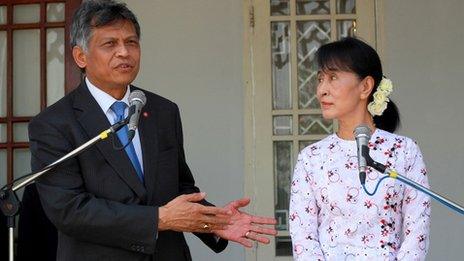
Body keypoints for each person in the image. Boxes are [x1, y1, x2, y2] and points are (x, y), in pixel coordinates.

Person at [28, 1, 276, 260]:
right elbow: (69, 210)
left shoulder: (162, 111)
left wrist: (215, 222)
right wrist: (159, 219)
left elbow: (179, 187)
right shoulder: (53, 124)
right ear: (81, 56)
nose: (124, 52)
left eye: (131, 42)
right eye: (110, 44)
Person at [289, 37, 431, 260]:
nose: (321, 90)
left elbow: (417, 232)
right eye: (320, 79)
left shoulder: (404, 151)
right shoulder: (312, 158)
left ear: (365, 86)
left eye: (333, 77)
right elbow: (303, 235)